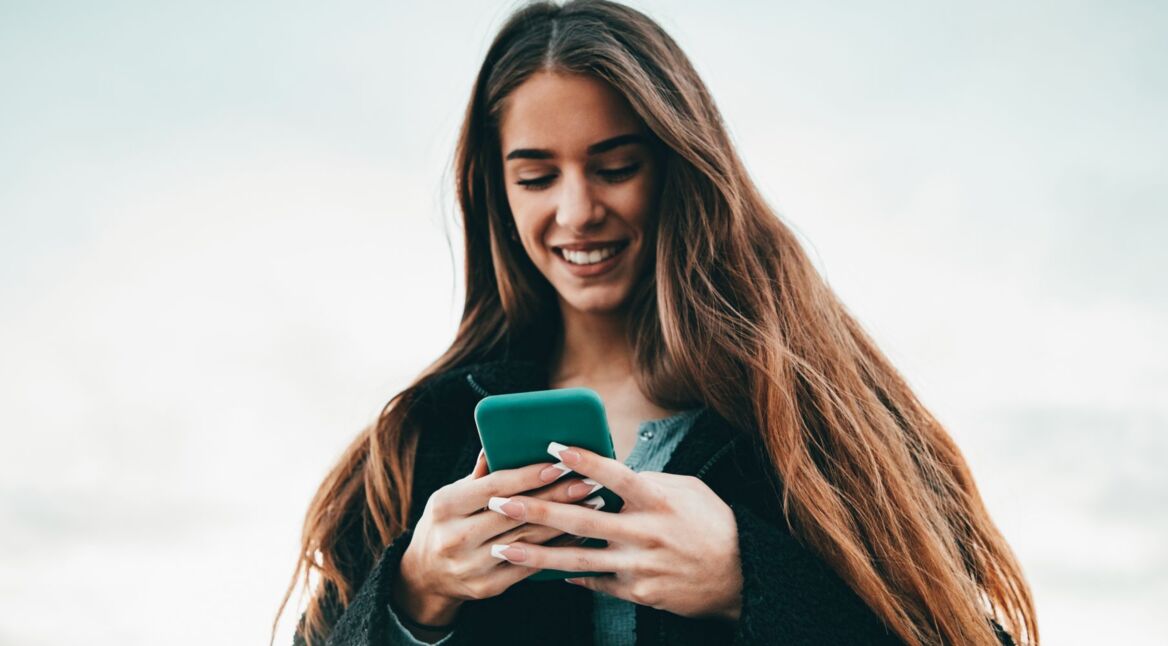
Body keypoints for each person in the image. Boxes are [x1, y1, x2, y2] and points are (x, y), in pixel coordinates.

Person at [273, 1, 1039, 645]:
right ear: (496, 192)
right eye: (536, 176)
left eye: (616, 168)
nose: (576, 211)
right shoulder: (422, 438)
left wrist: (748, 582)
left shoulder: (812, 411)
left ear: (678, 166)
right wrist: (414, 596)